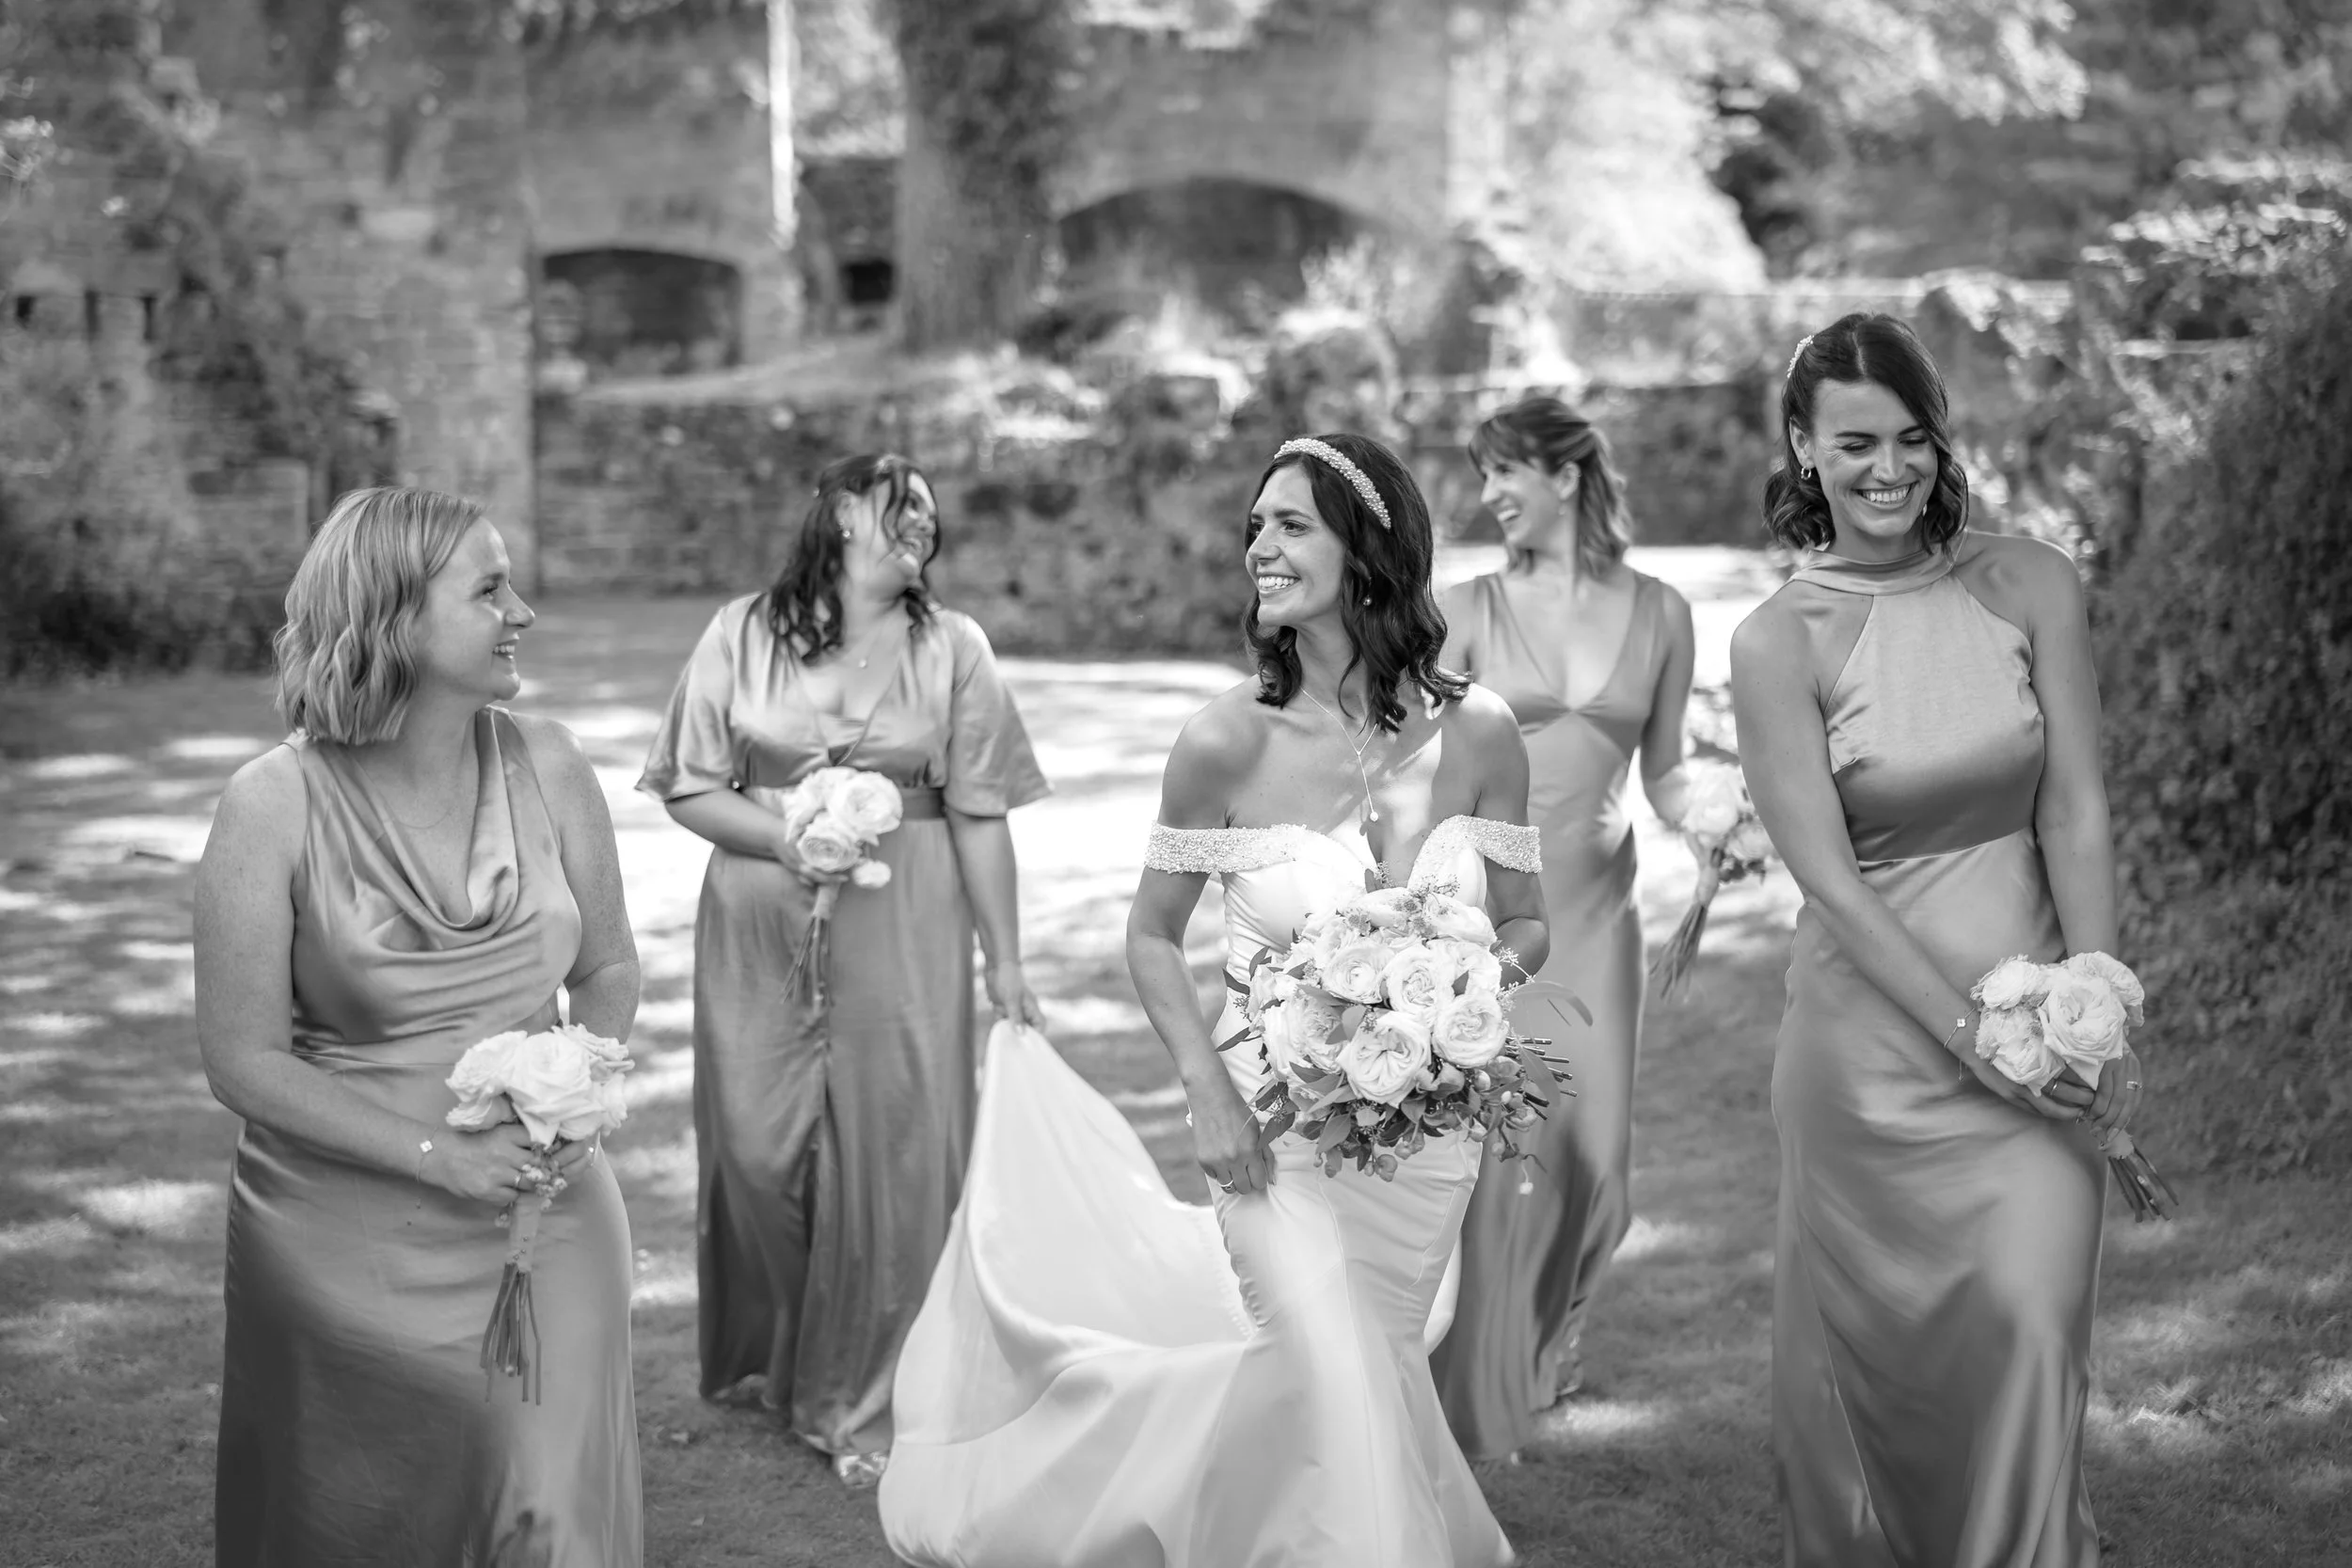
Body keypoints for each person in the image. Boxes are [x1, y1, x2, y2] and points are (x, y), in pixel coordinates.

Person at [879, 433, 1549, 1566]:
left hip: (1422, 1142)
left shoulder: (1479, 730)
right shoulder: (1223, 740)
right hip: (1272, 1132)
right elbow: (1149, 934)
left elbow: (1529, 919)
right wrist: (1207, 1095)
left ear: (1369, 544)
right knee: (1331, 1372)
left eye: (1290, 525)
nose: (1260, 549)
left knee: (1356, 1376)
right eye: (1254, 527)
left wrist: (1452, 997)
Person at [1730, 313, 2141, 1566]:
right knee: (1882, 1382)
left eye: (1912, 438)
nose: (1888, 469)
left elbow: (2072, 804)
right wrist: (1969, 1036)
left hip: (2041, 1043)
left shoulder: (2028, 583)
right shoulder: (1776, 641)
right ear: (1803, 445)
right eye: (1855, 442)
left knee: (2027, 1323)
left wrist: (2099, 997)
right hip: (1871, 1060)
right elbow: (1833, 886)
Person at [196, 486, 643, 1566]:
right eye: (489, 589)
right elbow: (241, 1058)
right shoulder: (271, 803)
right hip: (340, 1239)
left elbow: (610, 963)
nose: (522, 610)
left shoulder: (551, 763)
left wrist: (580, 1081)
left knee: (549, 1516)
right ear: (395, 617)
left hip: (551, 1219)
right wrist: (439, 1157)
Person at [637, 451, 1049, 1485]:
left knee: (896, 1156)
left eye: (930, 511)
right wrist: (790, 834)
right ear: (839, 515)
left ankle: (868, 1396)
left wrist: (1005, 960)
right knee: (757, 1151)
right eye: (897, 504)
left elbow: (980, 810)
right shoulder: (739, 631)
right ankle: (786, 1358)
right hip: (758, 921)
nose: (922, 522)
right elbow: (689, 784)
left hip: (904, 916)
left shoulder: (955, 647)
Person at [1431, 396, 1695, 1457]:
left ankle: (1553, 1326)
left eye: (1504, 472)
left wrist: (1720, 819)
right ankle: (1490, 1356)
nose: (1488, 494)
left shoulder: (1663, 610)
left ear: (1567, 475)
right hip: (1491, 904)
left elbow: (1667, 768)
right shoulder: (1464, 609)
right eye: (1482, 474)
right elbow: (1415, 764)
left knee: (1591, 1149)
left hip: (1604, 906)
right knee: (1499, 1135)